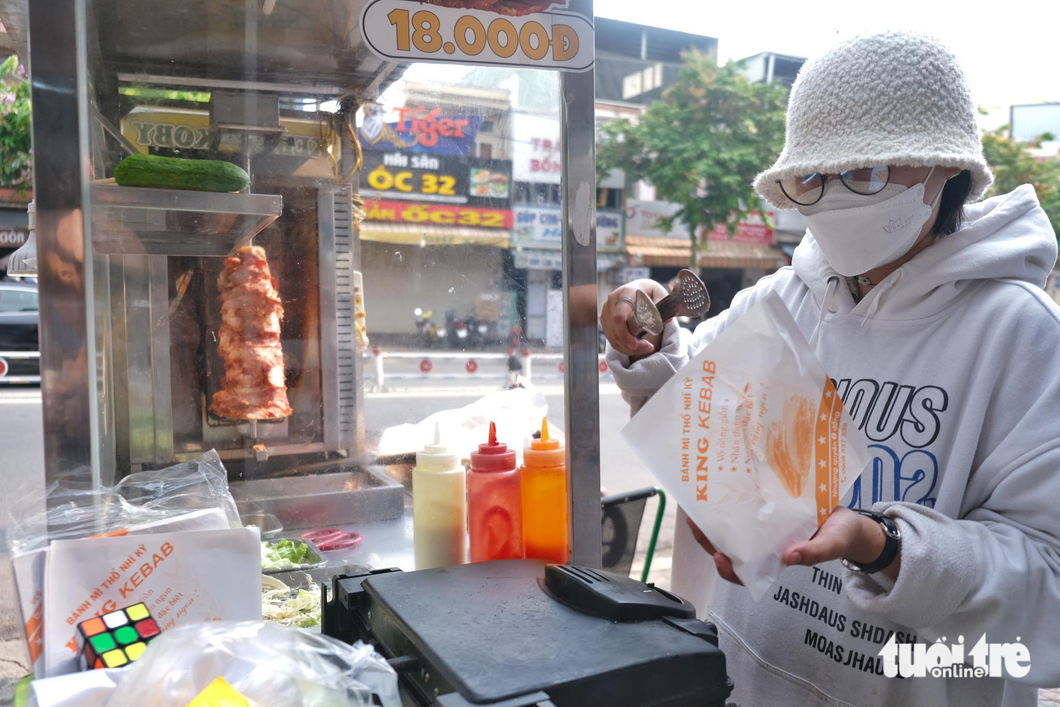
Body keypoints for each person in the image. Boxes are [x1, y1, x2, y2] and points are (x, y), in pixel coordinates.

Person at [601, 31, 1060, 706]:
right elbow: (684, 409)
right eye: (811, 177)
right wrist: (647, 339)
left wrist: (889, 549)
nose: (836, 198)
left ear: (946, 168)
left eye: (869, 172)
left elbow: (1048, 598)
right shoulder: (779, 300)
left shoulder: (1019, 337)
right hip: (733, 685)